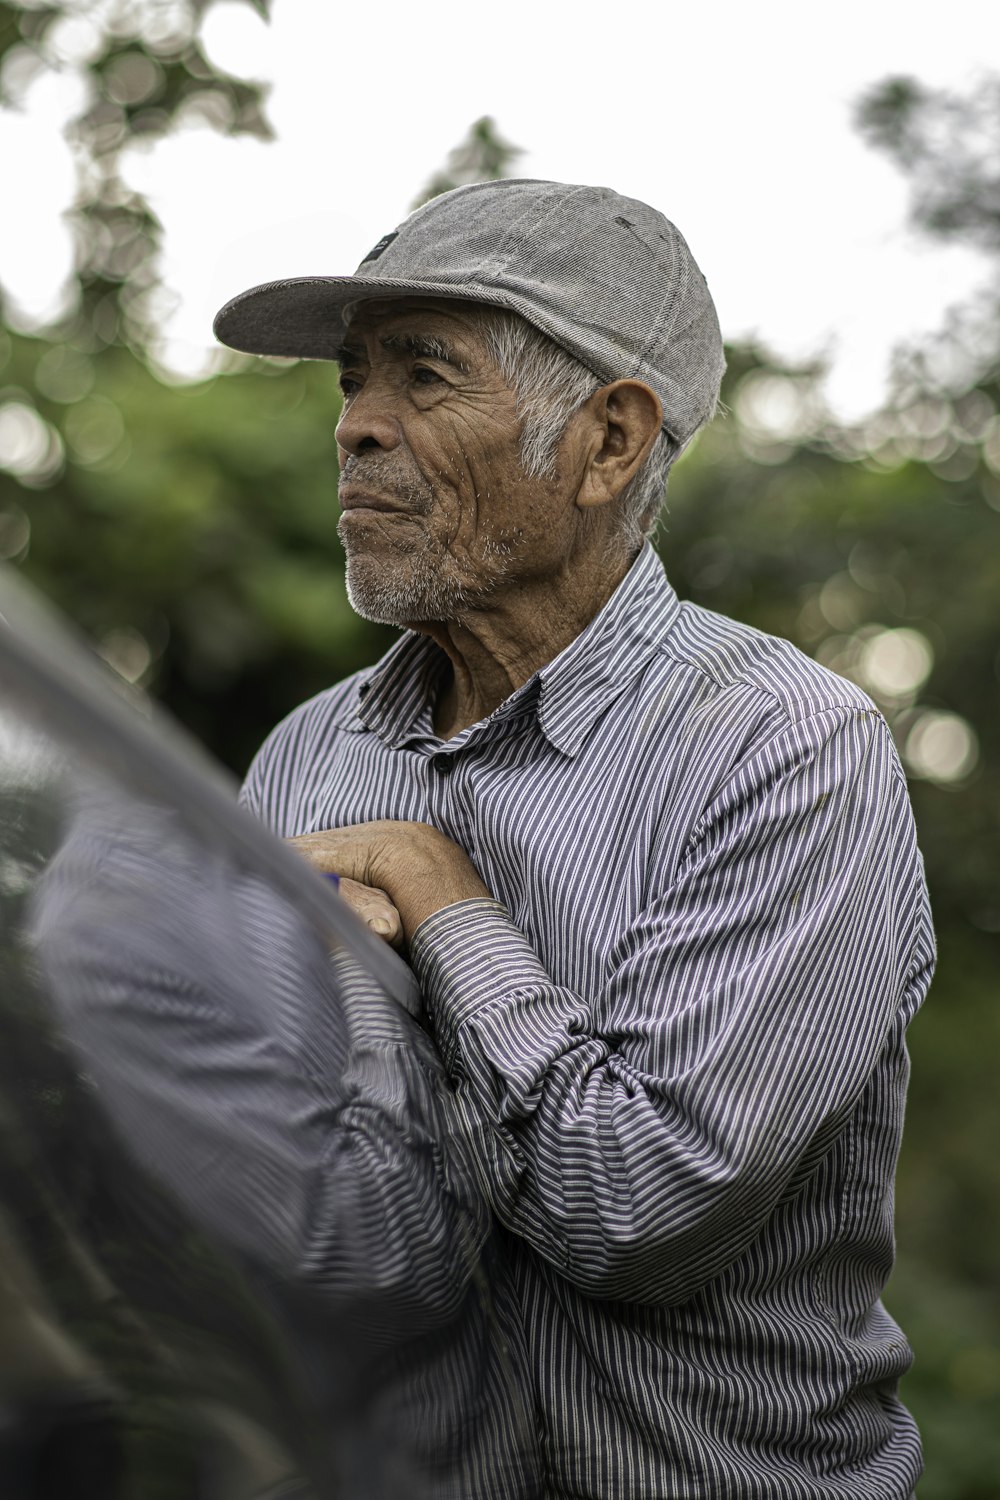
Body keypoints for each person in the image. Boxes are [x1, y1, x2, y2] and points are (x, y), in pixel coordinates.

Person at [213, 179, 934, 1500]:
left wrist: (438, 905)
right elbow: (249, 1189)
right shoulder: (307, 759)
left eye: (424, 376)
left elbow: (636, 1210)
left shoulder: (785, 745)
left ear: (607, 442)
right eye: (352, 382)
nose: (357, 429)